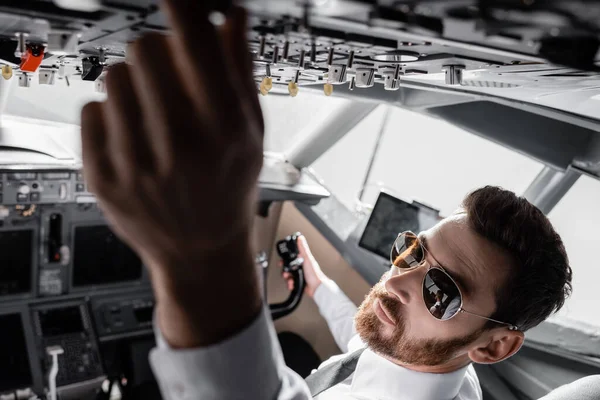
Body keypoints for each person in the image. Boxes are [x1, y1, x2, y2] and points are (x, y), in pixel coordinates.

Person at [80, 1, 573, 399]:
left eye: (441, 291)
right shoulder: (426, 359)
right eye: (414, 252)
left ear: (495, 346)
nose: (398, 279)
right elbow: (361, 343)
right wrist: (317, 286)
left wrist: (201, 259)